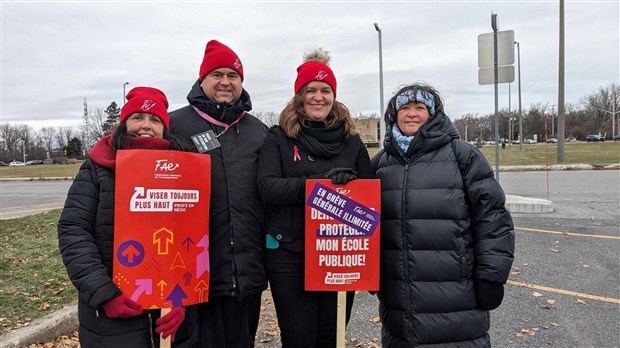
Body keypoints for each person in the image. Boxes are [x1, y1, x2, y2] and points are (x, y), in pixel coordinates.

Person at [371, 82, 515, 347]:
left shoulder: (463, 156)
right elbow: (364, 220)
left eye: (420, 107)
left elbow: (493, 219)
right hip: (398, 304)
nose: (411, 114)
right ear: (394, 115)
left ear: (433, 114)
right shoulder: (380, 164)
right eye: (404, 108)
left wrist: (491, 276)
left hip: (457, 295)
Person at [58, 87, 196, 347]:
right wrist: (104, 294)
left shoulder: (183, 169)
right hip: (111, 319)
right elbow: (73, 231)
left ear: (164, 128)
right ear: (123, 124)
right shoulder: (97, 168)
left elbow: (194, 236)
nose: (146, 126)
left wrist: (182, 299)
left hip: (170, 318)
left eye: (155, 120)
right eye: (138, 118)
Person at [257, 48, 374, 347]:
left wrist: (351, 186)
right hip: (289, 252)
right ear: (299, 96)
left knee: (331, 335)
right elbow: (267, 186)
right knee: (299, 337)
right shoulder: (279, 137)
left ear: (334, 95)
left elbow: (369, 193)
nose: (318, 97)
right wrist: (317, 188)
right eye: (311, 90)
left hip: (338, 252)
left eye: (325, 90)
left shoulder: (351, 140)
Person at [168, 39, 268, 347]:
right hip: (191, 271)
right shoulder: (174, 124)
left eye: (233, 75)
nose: (225, 81)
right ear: (202, 80)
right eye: (217, 74)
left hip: (245, 272)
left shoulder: (257, 130)